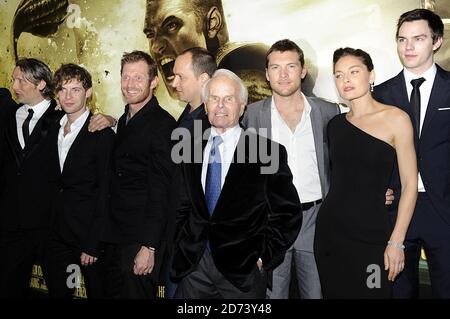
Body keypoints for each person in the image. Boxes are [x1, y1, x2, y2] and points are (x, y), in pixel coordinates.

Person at [243, 39, 395, 299]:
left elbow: (353, 159)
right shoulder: (250, 116)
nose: (283, 74)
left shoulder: (328, 112)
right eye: (275, 67)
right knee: (273, 296)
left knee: (317, 293)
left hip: (317, 220)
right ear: (266, 74)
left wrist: (375, 190)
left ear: (303, 71)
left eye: (291, 66)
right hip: (270, 222)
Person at [170, 68, 302, 299]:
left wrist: (262, 258)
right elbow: (182, 206)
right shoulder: (189, 149)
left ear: (242, 107)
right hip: (195, 268)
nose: (220, 105)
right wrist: (183, 244)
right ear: (206, 104)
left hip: (243, 274)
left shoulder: (266, 152)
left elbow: (287, 213)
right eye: (214, 98)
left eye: (228, 99)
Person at [314, 48, 418, 299]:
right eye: (339, 75)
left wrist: (396, 242)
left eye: (354, 72)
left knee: (374, 293)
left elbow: (410, 184)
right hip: (331, 235)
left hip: (373, 239)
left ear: (371, 74)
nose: (346, 80)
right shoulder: (335, 126)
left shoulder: (396, 119)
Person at [373, 8, 450, 298]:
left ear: (437, 41)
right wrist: (377, 188)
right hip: (395, 210)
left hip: (443, 207)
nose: (408, 47)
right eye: (402, 39)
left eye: (418, 39)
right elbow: (372, 154)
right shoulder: (380, 95)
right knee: (397, 292)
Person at [102, 50, 176, 299]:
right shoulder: (124, 119)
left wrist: (149, 246)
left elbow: (161, 191)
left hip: (140, 240)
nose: (130, 84)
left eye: (138, 78)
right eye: (126, 77)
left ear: (154, 82)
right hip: (115, 236)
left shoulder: (163, 125)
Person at [44, 64, 115, 299]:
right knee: (60, 293)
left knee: (97, 294)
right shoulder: (51, 126)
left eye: (75, 89)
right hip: (56, 237)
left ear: (88, 92)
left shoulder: (101, 132)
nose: (68, 96)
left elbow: (106, 190)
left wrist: (93, 242)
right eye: (63, 89)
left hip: (88, 237)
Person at [0, 58, 62, 298]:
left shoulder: (62, 117)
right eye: (13, 79)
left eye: (21, 80)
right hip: (12, 223)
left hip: (49, 224)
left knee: (59, 290)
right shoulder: (8, 113)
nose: (14, 85)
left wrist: (110, 120)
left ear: (41, 84)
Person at [163, 47, 217, 299]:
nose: (173, 83)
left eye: (180, 77)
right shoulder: (185, 117)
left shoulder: (218, 128)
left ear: (203, 79)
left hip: (198, 249)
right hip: (177, 241)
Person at [144, 0, 271, 104]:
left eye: (171, 26)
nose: (155, 47)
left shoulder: (242, 87)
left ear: (212, 23)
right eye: (150, 34)